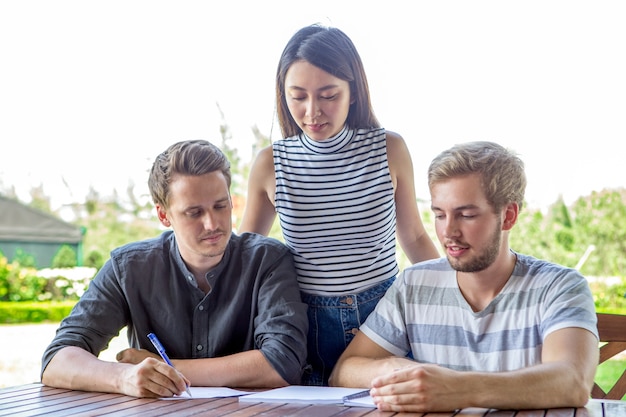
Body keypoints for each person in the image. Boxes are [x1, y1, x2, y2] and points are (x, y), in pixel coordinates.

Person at [329, 141, 599, 412]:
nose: (449, 232)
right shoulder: (415, 284)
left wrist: (458, 388)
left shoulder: (559, 286)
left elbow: (572, 381)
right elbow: (343, 371)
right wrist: (400, 371)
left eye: (466, 215)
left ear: (508, 217)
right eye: (439, 215)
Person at [239, 24, 440, 386]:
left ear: (354, 93)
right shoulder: (271, 163)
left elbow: (412, 235)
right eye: (297, 96)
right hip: (306, 321)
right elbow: (244, 257)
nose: (312, 111)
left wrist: (456, 294)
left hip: (385, 315)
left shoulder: (389, 149)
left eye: (328, 95)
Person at [41, 139, 308, 398]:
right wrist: (124, 378)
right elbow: (57, 360)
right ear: (163, 215)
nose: (212, 223)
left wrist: (167, 369)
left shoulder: (268, 259)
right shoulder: (128, 268)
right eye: (194, 212)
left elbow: (283, 363)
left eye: (220, 205)